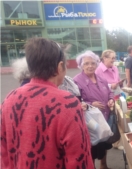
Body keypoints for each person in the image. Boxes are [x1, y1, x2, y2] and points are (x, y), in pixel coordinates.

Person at [1, 37, 94, 169]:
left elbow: (4, 152)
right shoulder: (67, 104)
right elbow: (79, 160)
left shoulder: (9, 99)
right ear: (59, 67)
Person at [73, 50, 114, 169]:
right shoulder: (76, 81)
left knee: (105, 142)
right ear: (81, 65)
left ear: (97, 64)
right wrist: (91, 104)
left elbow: (110, 92)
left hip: (104, 117)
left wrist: (111, 99)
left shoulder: (101, 79)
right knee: (92, 146)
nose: (90, 66)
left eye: (93, 63)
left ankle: (104, 165)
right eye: (86, 63)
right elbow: (75, 101)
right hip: (90, 122)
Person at [95, 49, 124, 150]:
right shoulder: (98, 70)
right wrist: (111, 86)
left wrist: (119, 83)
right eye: (112, 58)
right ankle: (111, 141)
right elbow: (97, 85)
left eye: (115, 57)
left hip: (117, 95)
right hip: (107, 98)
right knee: (112, 120)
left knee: (119, 118)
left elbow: (117, 79)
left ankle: (117, 141)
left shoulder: (115, 68)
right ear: (104, 58)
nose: (114, 60)